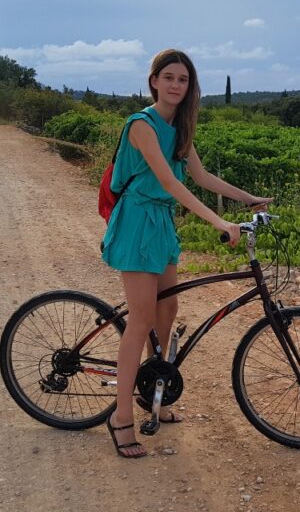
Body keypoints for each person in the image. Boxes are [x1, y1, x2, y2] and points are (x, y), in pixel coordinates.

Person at [102, 48, 272, 458]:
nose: (177, 85)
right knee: (141, 319)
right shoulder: (140, 125)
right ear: (155, 81)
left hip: (161, 224)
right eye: (170, 77)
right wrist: (218, 222)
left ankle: (151, 394)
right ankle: (120, 417)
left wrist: (248, 199)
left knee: (168, 310)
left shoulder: (179, 127)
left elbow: (199, 175)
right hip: (137, 221)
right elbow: (171, 182)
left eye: (184, 80)